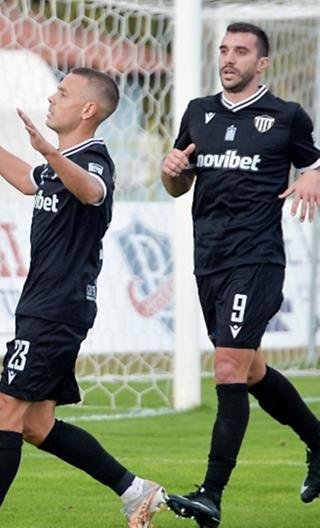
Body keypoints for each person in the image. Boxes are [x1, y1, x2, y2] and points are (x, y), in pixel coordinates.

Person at [0, 68, 166, 528]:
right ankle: (136, 491)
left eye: (63, 92)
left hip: (57, 309)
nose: (52, 98)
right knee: (36, 425)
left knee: (4, 412)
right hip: (45, 305)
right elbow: (27, 179)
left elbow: (92, 191)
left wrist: (50, 152)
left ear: (88, 109)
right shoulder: (59, 162)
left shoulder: (94, 159)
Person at [162, 22, 320, 528]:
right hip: (208, 258)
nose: (229, 59)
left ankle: (211, 494)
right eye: (224, 50)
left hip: (256, 259)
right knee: (250, 371)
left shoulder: (286, 116)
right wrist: (170, 170)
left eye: (241, 51)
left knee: (228, 369)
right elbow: (177, 185)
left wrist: (313, 175)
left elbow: (315, 165)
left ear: (262, 63)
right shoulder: (198, 112)